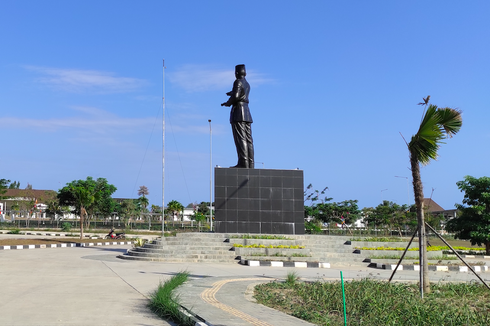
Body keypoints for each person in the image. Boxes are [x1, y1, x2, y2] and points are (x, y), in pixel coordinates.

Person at [221, 64, 254, 168]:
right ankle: (250, 163)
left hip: (239, 112)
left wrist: (228, 103)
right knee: (248, 139)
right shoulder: (247, 84)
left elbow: (236, 96)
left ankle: (243, 163)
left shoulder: (237, 82)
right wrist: (232, 93)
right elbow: (240, 93)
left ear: (236, 73)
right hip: (247, 113)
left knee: (241, 138)